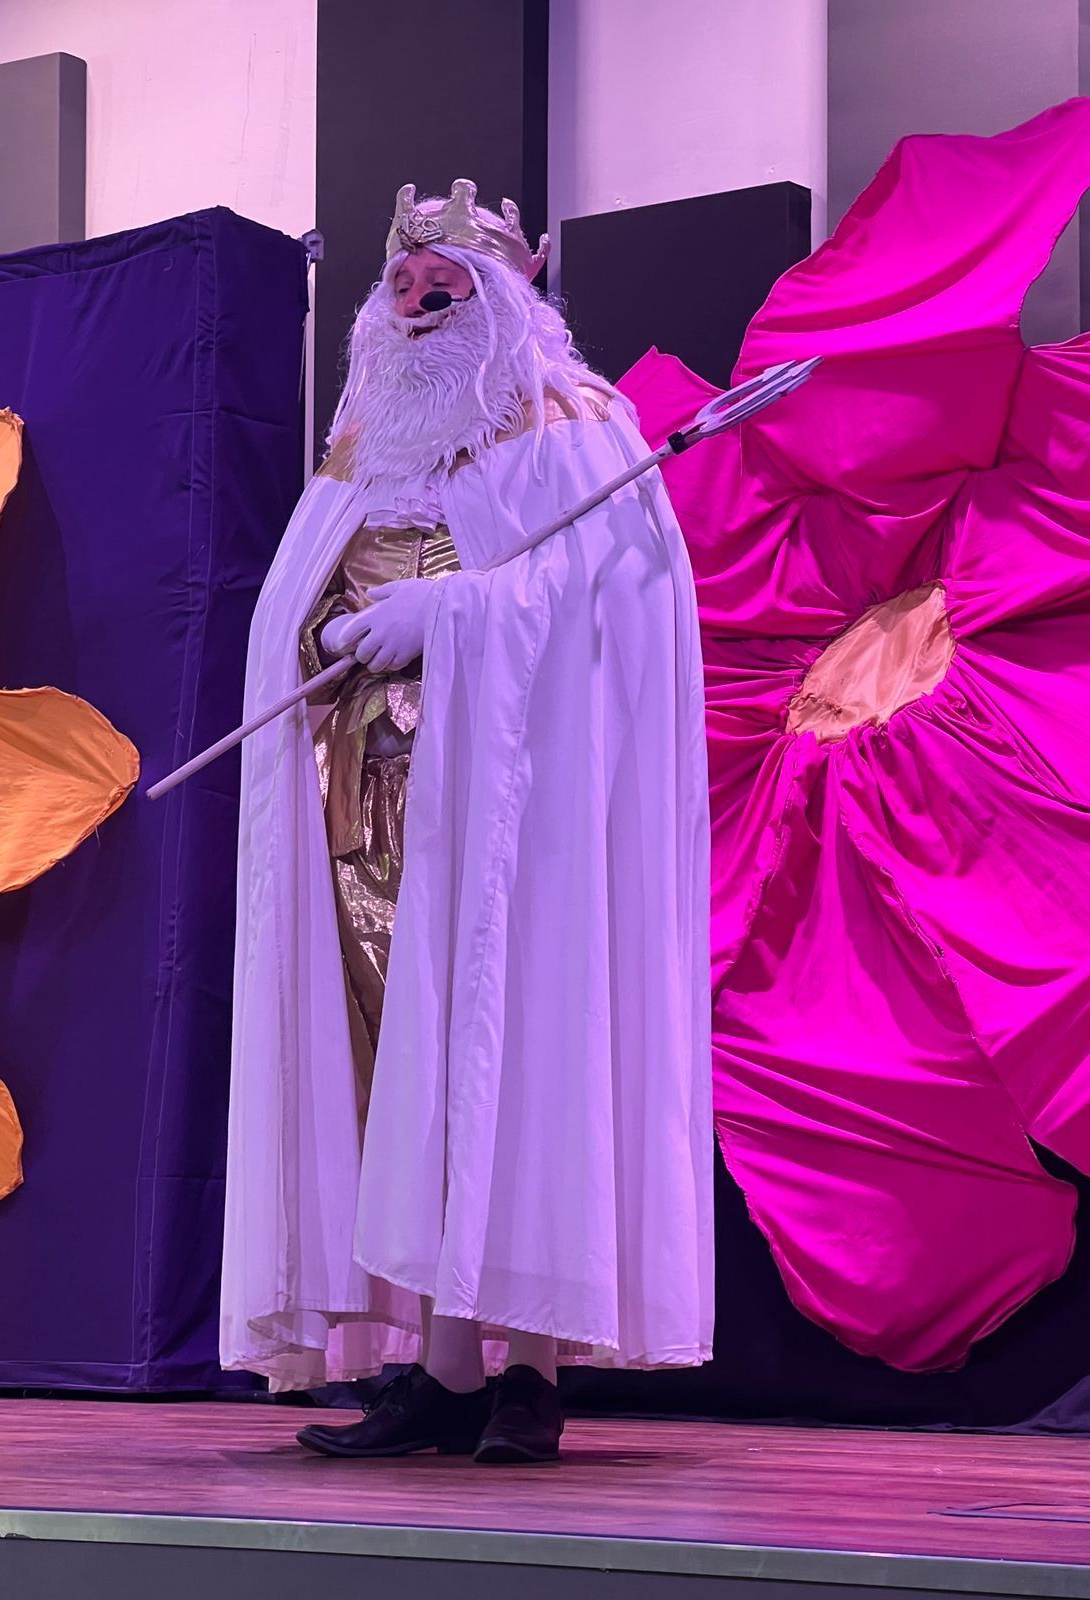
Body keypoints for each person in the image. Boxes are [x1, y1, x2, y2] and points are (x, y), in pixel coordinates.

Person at [222, 179, 713, 1463]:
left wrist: (452, 618)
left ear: (512, 297)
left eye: (454, 287)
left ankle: (530, 1368)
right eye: (407, 287)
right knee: (408, 1071)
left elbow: (612, 605)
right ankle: (439, 1369)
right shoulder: (362, 440)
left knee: (518, 1047)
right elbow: (298, 598)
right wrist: (324, 631)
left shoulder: (574, 424)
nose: (427, 304)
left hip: (519, 817)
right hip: (368, 808)